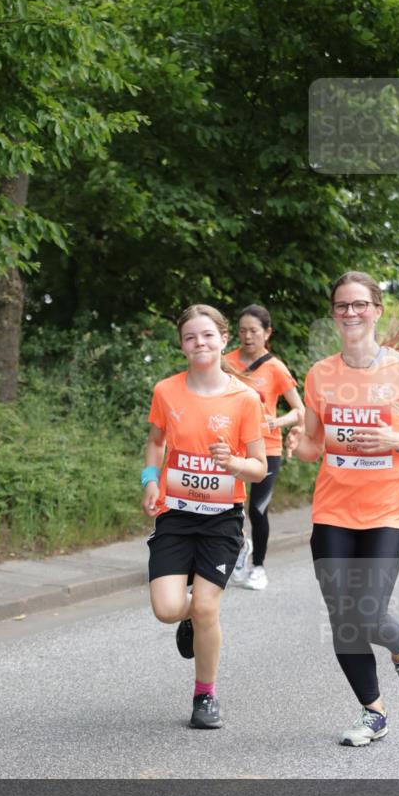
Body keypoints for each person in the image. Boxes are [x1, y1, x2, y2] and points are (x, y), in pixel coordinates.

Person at [286, 271, 399, 747]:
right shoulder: (320, 374)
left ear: (376, 309)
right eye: (341, 306)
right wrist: (298, 443)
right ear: (334, 314)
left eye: (359, 304)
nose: (350, 313)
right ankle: (372, 712)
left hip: (388, 507)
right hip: (333, 508)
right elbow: (316, 445)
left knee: (368, 613)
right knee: (343, 617)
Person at [142, 304, 267, 729]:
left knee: (207, 608)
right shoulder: (166, 391)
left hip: (221, 519)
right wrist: (149, 481)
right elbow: (155, 444)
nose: (200, 343)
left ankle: (205, 696)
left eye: (208, 335)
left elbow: (259, 467)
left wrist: (233, 464)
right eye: (191, 337)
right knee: (166, 608)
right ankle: (190, 618)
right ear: (182, 345)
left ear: (223, 340)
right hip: (175, 515)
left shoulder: (244, 398)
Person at [225, 305, 304, 589]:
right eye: (242, 331)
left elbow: (299, 410)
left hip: (267, 448)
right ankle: (237, 550)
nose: (247, 336)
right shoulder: (226, 362)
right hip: (232, 446)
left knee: (258, 510)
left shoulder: (275, 367)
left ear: (267, 333)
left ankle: (258, 567)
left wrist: (276, 422)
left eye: (254, 331)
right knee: (226, 507)